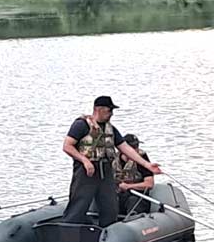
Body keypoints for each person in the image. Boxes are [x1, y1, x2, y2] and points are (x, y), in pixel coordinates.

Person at [62, 96, 161, 227]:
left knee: (110, 207)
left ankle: (106, 234)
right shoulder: (81, 125)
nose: (112, 114)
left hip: (106, 171)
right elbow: (67, 146)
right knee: (79, 204)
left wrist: (147, 164)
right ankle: (70, 232)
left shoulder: (111, 129)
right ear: (98, 109)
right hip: (86, 171)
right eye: (109, 110)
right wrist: (84, 160)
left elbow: (125, 147)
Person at [114, 134, 154, 215]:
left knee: (132, 200)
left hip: (138, 196)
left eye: (136, 146)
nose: (136, 150)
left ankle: (132, 219)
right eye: (133, 147)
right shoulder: (113, 159)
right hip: (118, 195)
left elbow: (150, 184)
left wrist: (128, 186)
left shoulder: (142, 159)